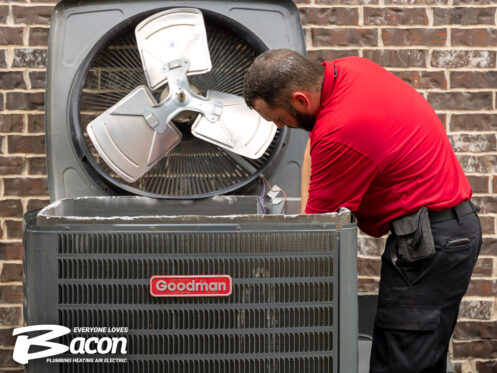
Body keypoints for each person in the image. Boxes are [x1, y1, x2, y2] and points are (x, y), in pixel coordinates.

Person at [243, 49, 482, 373]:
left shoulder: (340, 130)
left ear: (300, 100)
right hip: (442, 233)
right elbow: (317, 141)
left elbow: (319, 231)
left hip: (431, 246)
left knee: (400, 364)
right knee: (419, 358)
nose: (282, 126)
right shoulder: (349, 71)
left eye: (280, 119)